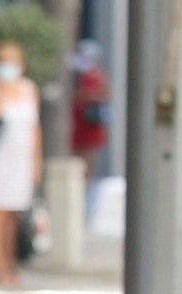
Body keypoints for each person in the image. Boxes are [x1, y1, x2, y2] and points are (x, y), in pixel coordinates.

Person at [0, 40, 41, 287]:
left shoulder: (29, 89)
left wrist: (36, 162)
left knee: (13, 214)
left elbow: (35, 129)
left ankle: (9, 262)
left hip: (20, 161)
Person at [71, 39, 110, 206]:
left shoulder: (99, 76)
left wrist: (89, 96)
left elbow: (104, 94)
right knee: (77, 160)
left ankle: (88, 196)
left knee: (89, 161)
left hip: (91, 125)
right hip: (77, 125)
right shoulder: (76, 75)